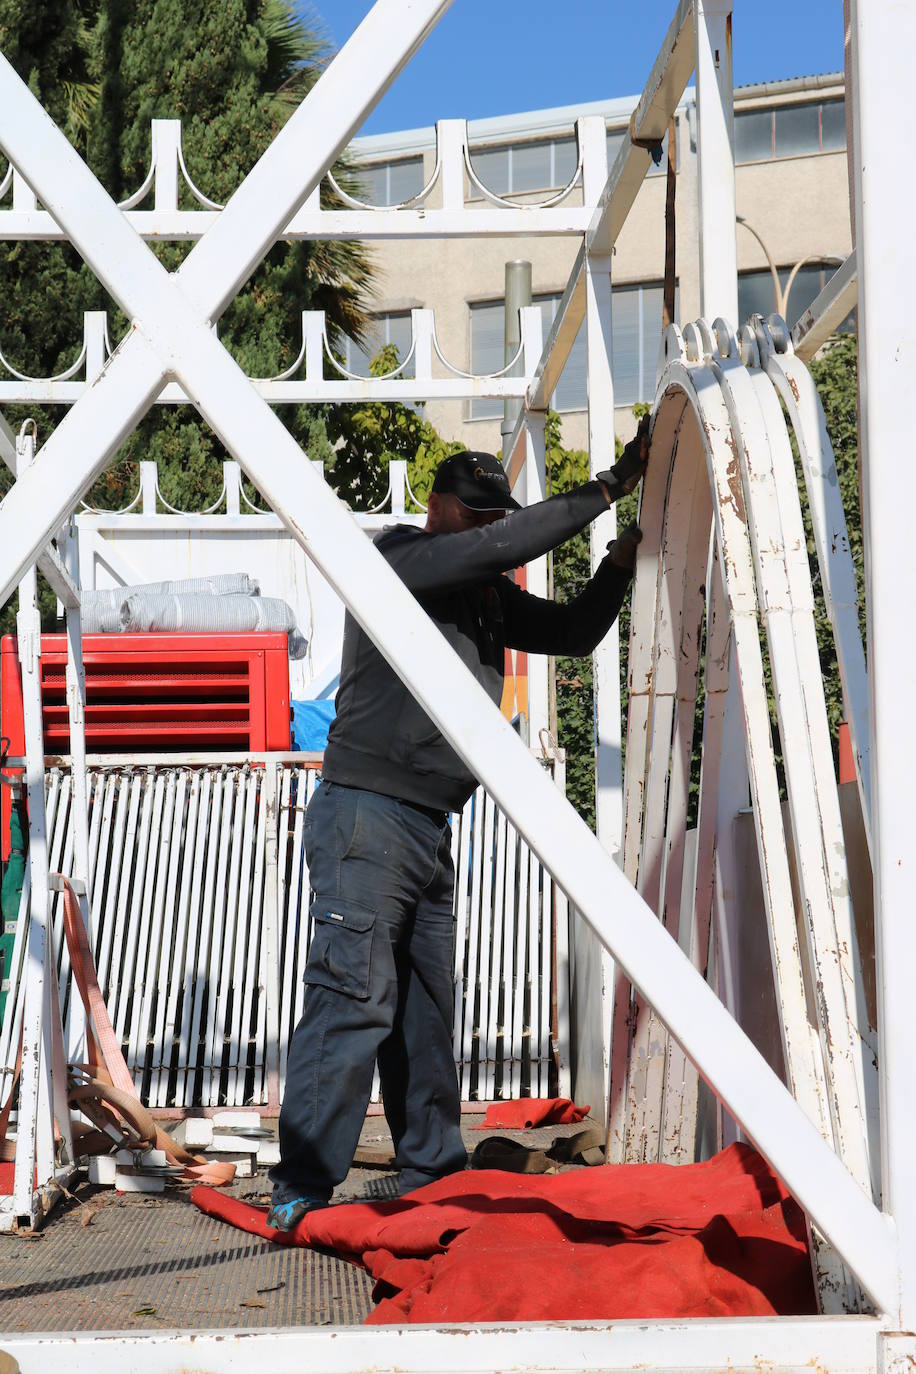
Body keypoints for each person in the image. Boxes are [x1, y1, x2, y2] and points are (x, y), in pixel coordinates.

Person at [267, 424, 649, 1230]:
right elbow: (493, 548)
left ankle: (432, 1173)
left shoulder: (477, 591)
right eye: (472, 517)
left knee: (424, 1012)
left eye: (492, 519)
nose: (485, 533)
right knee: (354, 999)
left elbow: (572, 634)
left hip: (426, 826)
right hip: (367, 817)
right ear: (434, 508)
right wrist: (606, 486)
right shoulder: (399, 559)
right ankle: (301, 1187)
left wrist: (616, 566)